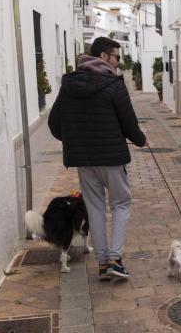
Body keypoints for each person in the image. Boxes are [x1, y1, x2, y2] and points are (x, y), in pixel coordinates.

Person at [48, 37, 146, 280]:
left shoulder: (69, 84)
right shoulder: (114, 84)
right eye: (116, 57)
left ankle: (103, 264)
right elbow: (129, 122)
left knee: (95, 209)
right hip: (111, 157)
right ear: (104, 57)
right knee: (121, 203)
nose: (119, 63)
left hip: (83, 160)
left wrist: (75, 140)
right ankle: (115, 258)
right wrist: (141, 140)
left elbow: (54, 124)